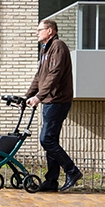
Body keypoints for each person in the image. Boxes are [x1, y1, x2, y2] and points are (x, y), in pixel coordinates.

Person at [25, 19, 82, 192]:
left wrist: (39, 97)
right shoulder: (45, 49)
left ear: (50, 30)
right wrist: (27, 96)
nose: (37, 33)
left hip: (57, 101)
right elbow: (39, 77)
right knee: (51, 140)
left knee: (46, 139)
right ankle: (51, 181)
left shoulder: (58, 47)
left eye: (39, 30)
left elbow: (54, 75)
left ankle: (72, 171)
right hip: (50, 101)